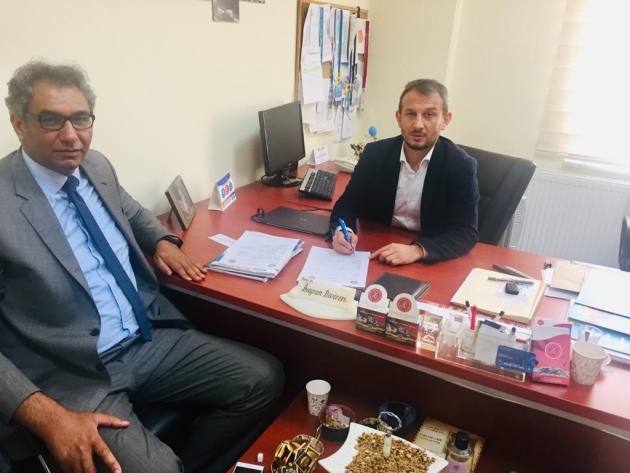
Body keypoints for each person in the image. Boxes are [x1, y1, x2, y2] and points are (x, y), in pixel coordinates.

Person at [0, 60, 284, 473]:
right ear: (19, 124)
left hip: (147, 337)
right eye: (51, 120)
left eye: (80, 118)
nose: (71, 135)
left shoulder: (96, 165)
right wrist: (49, 417)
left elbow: (132, 212)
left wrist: (163, 241)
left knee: (264, 378)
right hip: (71, 373)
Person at [330, 79, 479, 265]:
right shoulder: (375, 155)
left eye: (429, 115)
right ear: (399, 118)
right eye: (410, 114)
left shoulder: (460, 166)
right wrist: (343, 232)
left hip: (429, 262)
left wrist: (417, 250)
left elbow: (466, 232)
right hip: (375, 252)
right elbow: (347, 205)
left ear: (445, 121)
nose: (418, 125)